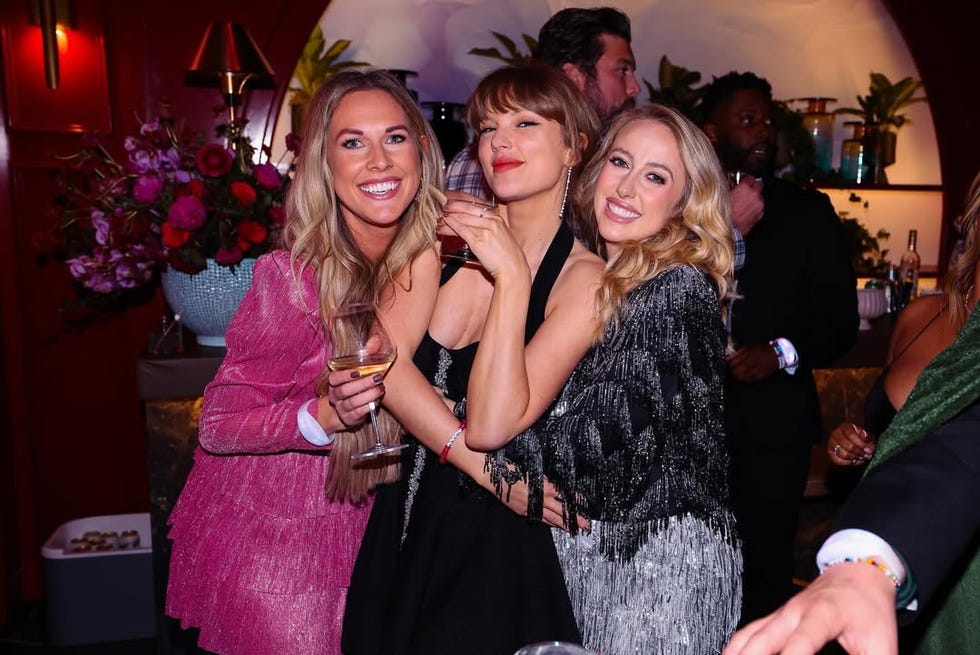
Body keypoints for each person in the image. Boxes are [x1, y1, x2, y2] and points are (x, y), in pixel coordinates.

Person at [164, 69, 445, 654]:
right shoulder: (292, 280)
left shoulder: (442, 261)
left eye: (395, 138)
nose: (379, 161)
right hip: (281, 547)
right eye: (352, 142)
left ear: (422, 151)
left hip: (381, 533)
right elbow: (217, 423)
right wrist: (321, 415)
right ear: (324, 165)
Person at [338, 63, 604, 654]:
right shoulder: (442, 234)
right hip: (413, 504)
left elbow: (494, 420)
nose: (499, 141)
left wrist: (512, 276)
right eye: (486, 127)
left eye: (525, 123)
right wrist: (484, 471)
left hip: (500, 539)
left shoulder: (584, 280)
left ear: (574, 148)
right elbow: (381, 360)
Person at [465, 103, 743, 654]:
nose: (627, 188)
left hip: (659, 572)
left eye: (656, 177)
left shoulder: (676, 290)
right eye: (621, 161)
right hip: (589, 559)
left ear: (685, 204)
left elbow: (592, 449)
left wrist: (456, 436)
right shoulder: (598, 280)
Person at [725, 172, 980, 655]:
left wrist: (870, 560)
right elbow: (903, 434)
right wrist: (858, 446)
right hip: (875, 543)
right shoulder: (920, 317)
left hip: (955, 572)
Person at [700, 71, 859, 625]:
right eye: (747, 121)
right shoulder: (678, 207)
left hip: (774, 426)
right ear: (711, 131)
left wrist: (782, 352)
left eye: (767, 120)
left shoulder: (807, 212)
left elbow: (839, 319)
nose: (763, 131)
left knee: (764, 569)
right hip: (688, 421)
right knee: (694, 565)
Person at [445, 6, 640, 200]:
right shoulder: (473, 165)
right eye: (622, 70)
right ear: (574, 76)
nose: (634, 88)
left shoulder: (623, 167)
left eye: (524, 124)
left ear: (573, 150)